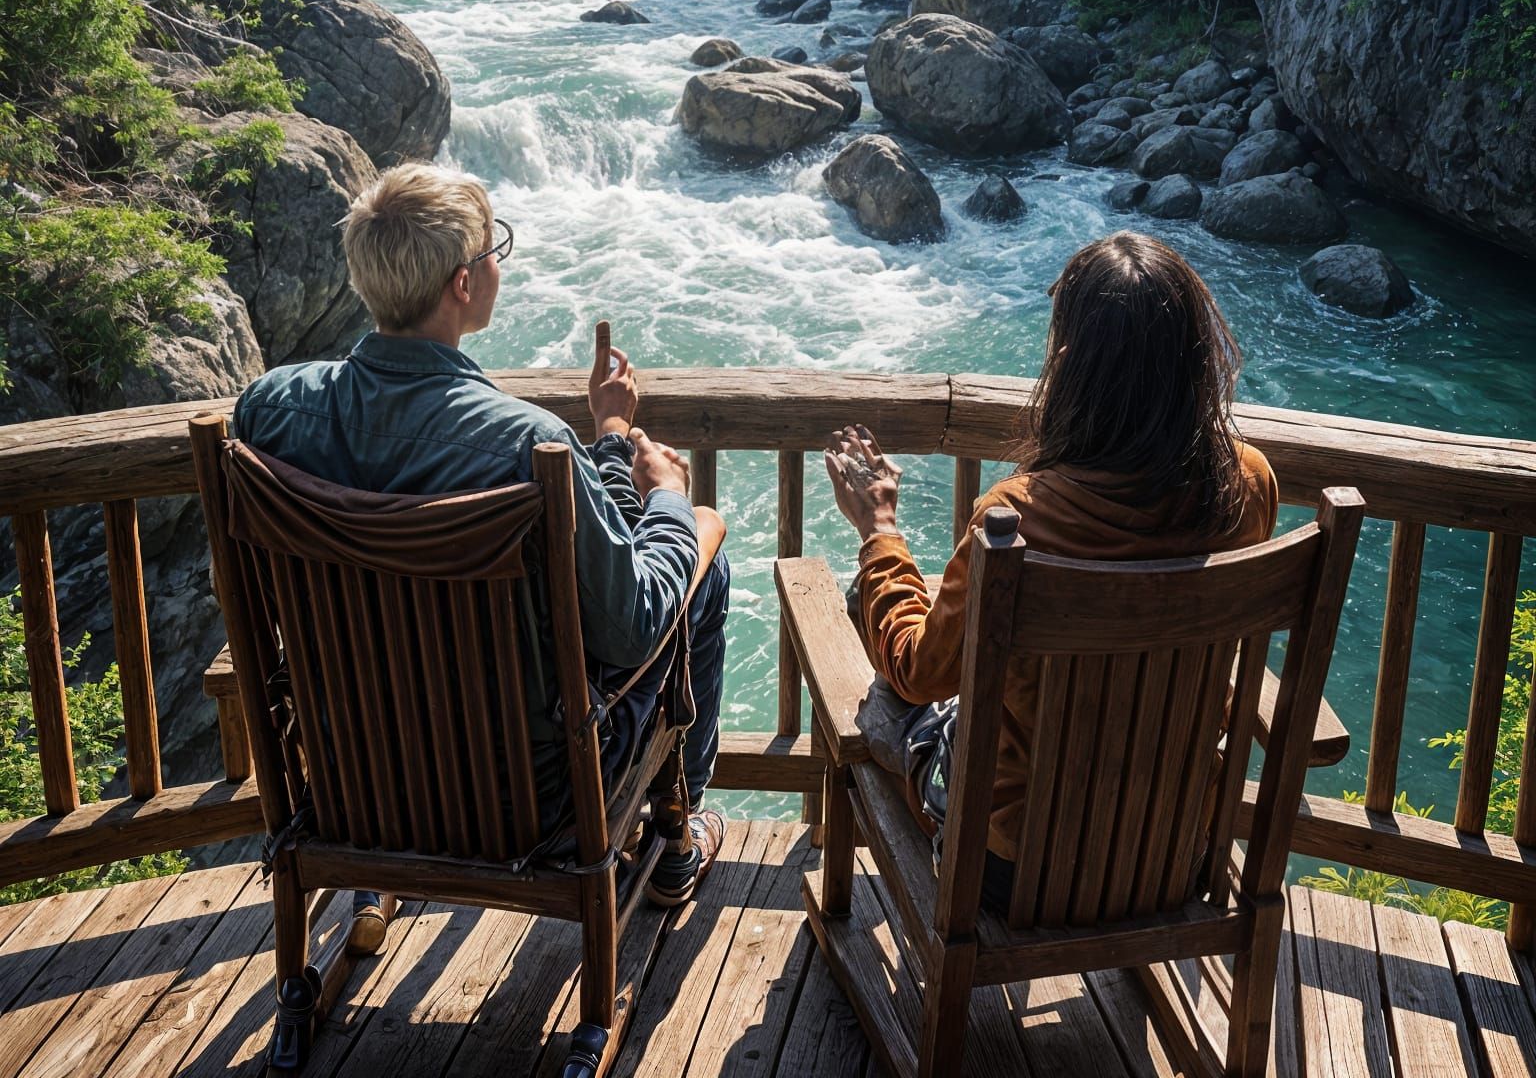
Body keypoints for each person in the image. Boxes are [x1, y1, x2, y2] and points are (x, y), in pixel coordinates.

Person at [232, 162, 728, 905]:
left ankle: (372, 882)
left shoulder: (269, 411)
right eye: (494, 247)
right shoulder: (522, 444)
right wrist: (667, 498)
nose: (499, 260)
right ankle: (677, 839)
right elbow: (631, 630)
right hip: (529, 805)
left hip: (349, 782)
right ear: (463, 284)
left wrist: (609, 440)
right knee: (700, 554)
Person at [824, 231, 1278, 907]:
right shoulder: (1248, 486)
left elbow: (919, 673)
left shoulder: (1017, 520)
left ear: (1069, 366)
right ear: (1194, 362)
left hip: (1013, 870)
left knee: (888, 700)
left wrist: (880, 534)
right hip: (1176, 853)